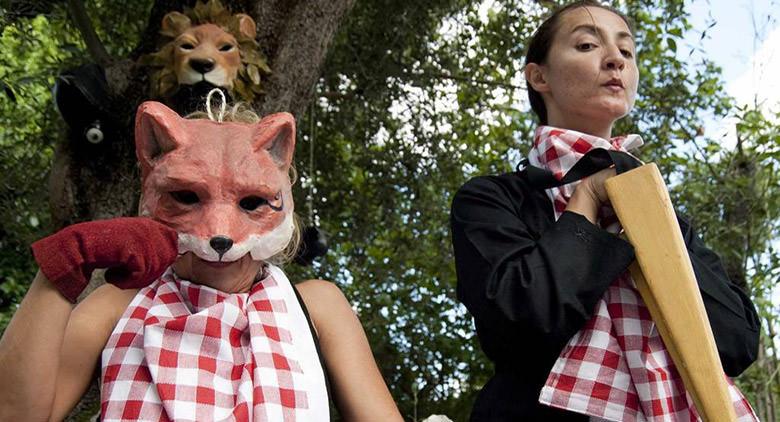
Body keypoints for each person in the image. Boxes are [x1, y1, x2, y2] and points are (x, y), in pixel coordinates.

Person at [0, 98, 403, 421]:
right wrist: (64, 264)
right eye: (188, 197)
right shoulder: (118, 304)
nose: (219, 233)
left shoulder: (317, 306)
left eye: (251, 202)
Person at [450, 1, 760, 420]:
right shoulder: (493, 199)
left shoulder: (665, 215)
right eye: (586, 44)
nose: (615, 59)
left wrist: (649, 217)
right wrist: (588, 198)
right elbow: (521, 326)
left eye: (627, 52)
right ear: (538, 75)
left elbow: (737, 342)